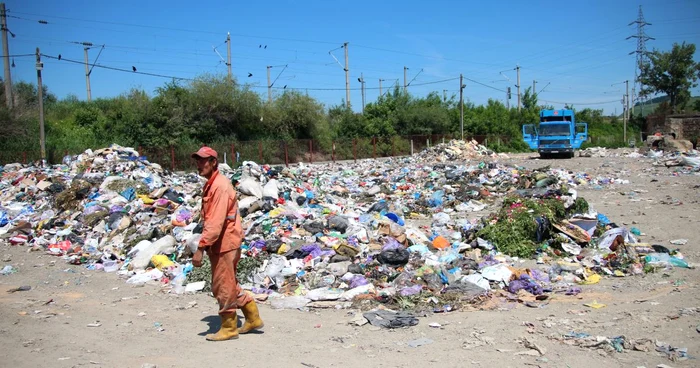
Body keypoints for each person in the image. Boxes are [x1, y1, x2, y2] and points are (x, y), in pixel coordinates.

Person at [191, 146, 264, 341]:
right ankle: (252, 317)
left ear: (214, 162)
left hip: (225, 242)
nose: (199, 164)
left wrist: (200, 249)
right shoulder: (212, 184)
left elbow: (215, 223)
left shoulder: (220, 186)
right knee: (229, 283)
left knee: (222, 285)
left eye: (203, 161)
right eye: (197, 160)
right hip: (223, 242)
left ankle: (229, 326)